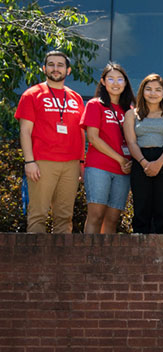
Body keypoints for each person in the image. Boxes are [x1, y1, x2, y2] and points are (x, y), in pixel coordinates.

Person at [17, 50, 85, 234]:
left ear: (68, 70)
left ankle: (61, 261)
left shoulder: (76, 98)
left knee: (64, 216)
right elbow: (25, 131)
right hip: (42, 162)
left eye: (60, 65)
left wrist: (81, 162)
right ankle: (35, 260)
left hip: (70, 164)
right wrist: (29, 162)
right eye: (52, 64)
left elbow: (81, 133)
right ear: (44, 68)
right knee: (38, 214)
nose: (56, 69)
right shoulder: (32, 94)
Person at [121, 74, 163, 234]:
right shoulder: (131, 115)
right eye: (148, 89)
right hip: (140, 162)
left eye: (157, 90)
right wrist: (144, 163)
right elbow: (131, 142)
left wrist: (158, 163)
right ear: (142, 91)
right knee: (141, 211)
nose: (153, 93)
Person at [82, 63, 134, 234]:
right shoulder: (95, 105)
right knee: (96, 216)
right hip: (99, 167)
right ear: (103, 82)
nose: (115, 83)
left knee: (112, 219)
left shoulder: (130, 110)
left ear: (125, 83)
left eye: (120, 79)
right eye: (110, 78)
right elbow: (93, 138)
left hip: (123, 172)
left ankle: (105, 259)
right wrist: (121, 159)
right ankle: (89, 256)